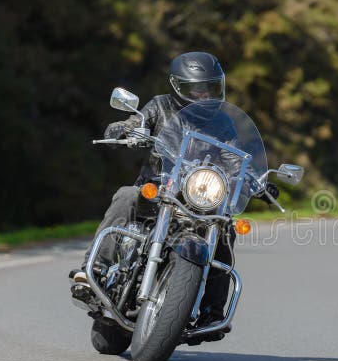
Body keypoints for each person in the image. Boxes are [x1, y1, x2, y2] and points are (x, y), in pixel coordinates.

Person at [74, 52, 278, 325]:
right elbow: (136, 123)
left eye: (211, 89)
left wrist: (256, 181)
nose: (205, 96)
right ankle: (93, 271)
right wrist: (121, 129)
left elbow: (235, 159)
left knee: (225, 228)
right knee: (126, 196)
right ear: (178, 87)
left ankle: (212, 310)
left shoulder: (222, 123)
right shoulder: (160, 106)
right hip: (158, 189)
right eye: (197, 90)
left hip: (198, 198)